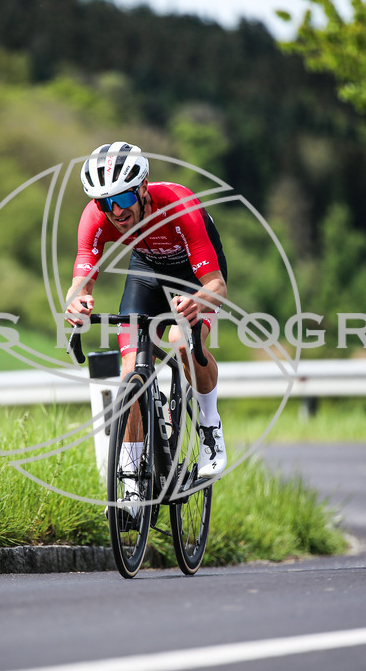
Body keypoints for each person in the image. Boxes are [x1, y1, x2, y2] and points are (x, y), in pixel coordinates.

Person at [65, 141, 228, 482]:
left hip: (193, 273)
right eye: (105, 202)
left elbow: (217, 286)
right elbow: (81, 281)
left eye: (123, 198)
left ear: (142, 188)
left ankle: (210, 425)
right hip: (148, 269)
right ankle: (131, 480)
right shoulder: (96, 216)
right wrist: (77, 302)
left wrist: (196, 302)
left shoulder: (178, 204)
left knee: (182, 341)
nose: (116, 211)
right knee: (130, 372)